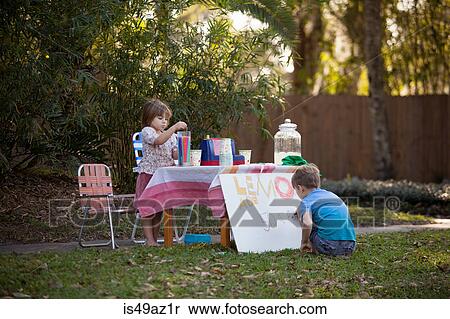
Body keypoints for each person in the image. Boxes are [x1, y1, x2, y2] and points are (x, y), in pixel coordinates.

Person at [134, 99, 187, 246]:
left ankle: (154, 239)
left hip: (163, 177)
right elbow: (158, 141)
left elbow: (174, 154)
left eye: (167, 119)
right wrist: (174, 128)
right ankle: (149, 239)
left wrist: (181, 150)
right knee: (148, 208)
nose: (164, 122)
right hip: (149, 175)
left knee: (158, 209)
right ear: (148, 118)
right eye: (160, 118)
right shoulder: (147, 132)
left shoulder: (171, 136)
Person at [291, 164, 356, 256]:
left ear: (300, 188)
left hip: (328, 245)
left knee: (310, 225)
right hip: (349, 246)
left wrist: (304, 242)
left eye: (295, 190)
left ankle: (313, 248)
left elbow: (307, 223)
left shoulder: (305, 202)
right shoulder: (331, 195)